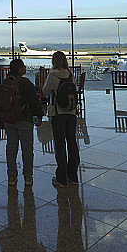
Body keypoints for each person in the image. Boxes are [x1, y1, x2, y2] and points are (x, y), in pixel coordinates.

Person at [1, 58, 43, 187]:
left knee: (11, 148)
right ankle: (28, 176)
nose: (25, 68)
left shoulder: (5, 83)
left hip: (9, 120)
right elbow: (34, 101)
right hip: (24, 119)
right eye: (23, 66)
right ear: (19, 69)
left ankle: (11, 176)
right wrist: (39, 116)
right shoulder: (26, 83)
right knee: (27, 149)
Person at [42, 51, 79, 188]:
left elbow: (45, 92)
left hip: (58, 113)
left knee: (60, 144)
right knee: (72, 143)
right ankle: (73, 175)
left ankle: (61, 178)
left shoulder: (52, 75)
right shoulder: (70, 74)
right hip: (71, 112)